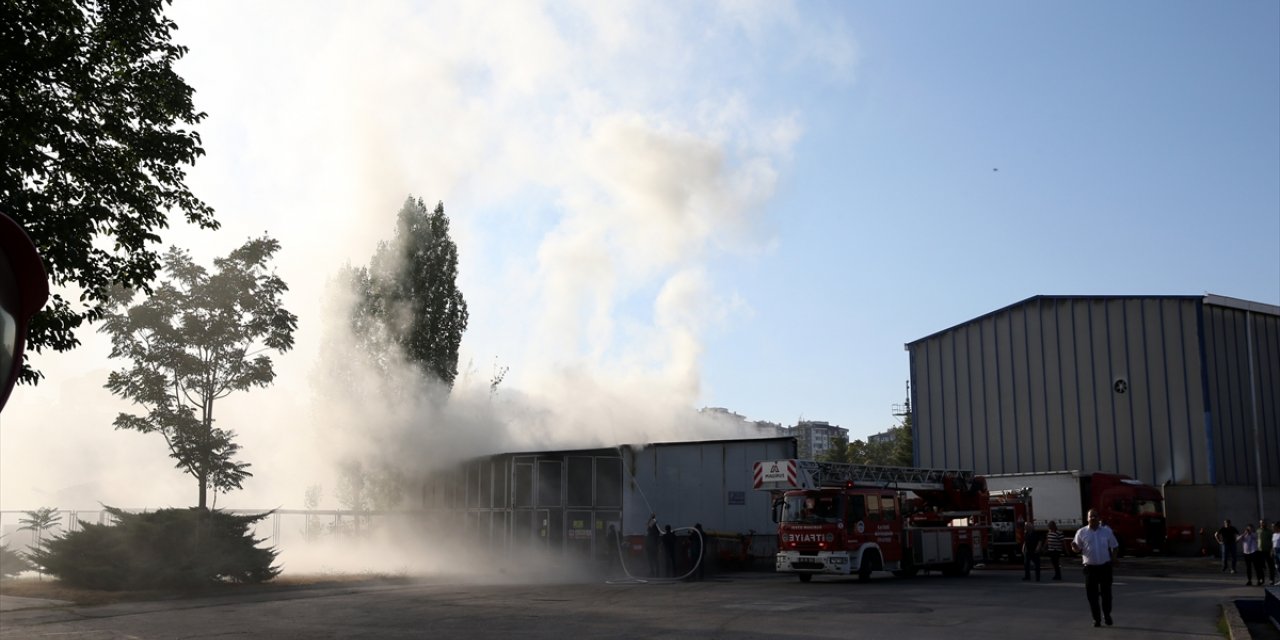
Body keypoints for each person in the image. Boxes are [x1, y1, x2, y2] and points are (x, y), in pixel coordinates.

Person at [1072, 509, 1119, 628]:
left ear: (1099, 518)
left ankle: (1107, 614)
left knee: (1106, 594)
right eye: (1090, 516)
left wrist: (1114, 558)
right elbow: (1077, 549)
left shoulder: (1106, 531)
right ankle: (1096, 619)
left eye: (1095, 516)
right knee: (1092, 596)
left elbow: (1115, 546)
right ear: (1087, 518)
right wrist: (1075, 548)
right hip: (1090, 569)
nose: (1092, 518)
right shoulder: (1081, 532)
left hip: (1105, 567)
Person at [1259, 520, 1276, 587]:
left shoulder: (1269, 532)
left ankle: (1271, 579)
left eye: (1264, 523)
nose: (1262, 524)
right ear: (1260, 524)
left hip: (1268, 551)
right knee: (1260, 566)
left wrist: (1271, 550)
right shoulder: (1258, 531)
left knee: (1271, 566)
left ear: (1266, 524)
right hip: (1260, 551)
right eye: (1261, 523)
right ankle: (1261, 579)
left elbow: (1273, 541)